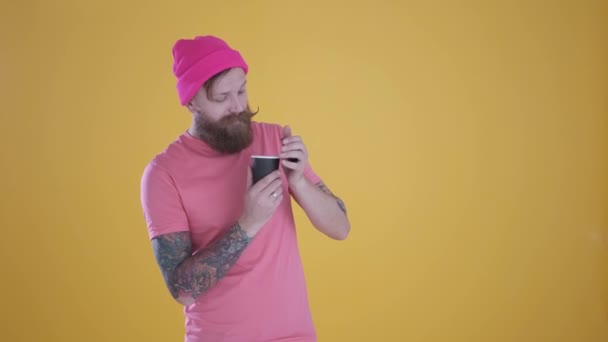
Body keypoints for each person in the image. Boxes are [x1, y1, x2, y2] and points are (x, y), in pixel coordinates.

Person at [140, 35, 350, 342]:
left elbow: (341, 227)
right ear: (191, 101)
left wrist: (299, 182)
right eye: (222, 97)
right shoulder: (163, 174)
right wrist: (249, 222)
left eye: (241, 90)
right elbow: (182, 290)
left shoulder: (275, 140)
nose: (238, 106)